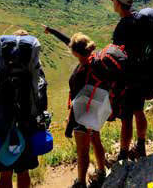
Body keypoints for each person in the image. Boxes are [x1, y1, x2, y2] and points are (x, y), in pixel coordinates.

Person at [0, 29, 47, 188]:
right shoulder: (35, 72)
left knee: (5, 173)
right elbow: (41, 100)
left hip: (1, 126)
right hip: (27, 126)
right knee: (23, 172)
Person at [42, 26, 106, 188]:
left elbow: (76, 101)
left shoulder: (80, 73)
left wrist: (69, 126)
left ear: (76, 53)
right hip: (96, 106)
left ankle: (81, 182)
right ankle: (101, 171)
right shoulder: (95, 60)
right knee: (96, 139)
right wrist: (53, 31)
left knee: (82, 151)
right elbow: (70, 43)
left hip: (83, 113)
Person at [89, 0, 148, 160]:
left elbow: (115, 53)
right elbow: (121, 2)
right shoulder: (137, 17)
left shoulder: (122, 27)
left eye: (113, 0)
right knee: (139, 110)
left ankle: (123, 154)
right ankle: (142, 145)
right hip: (142, 73)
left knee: (127, 117)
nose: (112, 1)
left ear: (118, 4)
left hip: (127, 77)